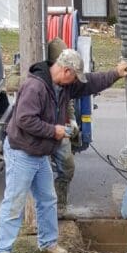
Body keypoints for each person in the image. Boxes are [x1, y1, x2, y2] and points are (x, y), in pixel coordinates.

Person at [0, 48, 127, 253]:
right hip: (22, 152)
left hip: (39, 154)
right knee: (14, 201)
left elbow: (91, 84)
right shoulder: (35, 87)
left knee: (48, 199)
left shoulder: (63, 85)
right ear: (65, 70)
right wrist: (54, 131)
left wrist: (116, 73)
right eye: (74, 76)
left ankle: (48, 243)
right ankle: (3, 250)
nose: (75, 82)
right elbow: (24, 120)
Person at [47, 37, 78, 218]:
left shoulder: (65, 81)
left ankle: (60, 205)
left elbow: (68, 101)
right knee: (39, 173)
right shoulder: (39, 75)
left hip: (60, 126)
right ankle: (40, 210)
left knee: (67, 166)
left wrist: (72, 120)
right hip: (40, 130)